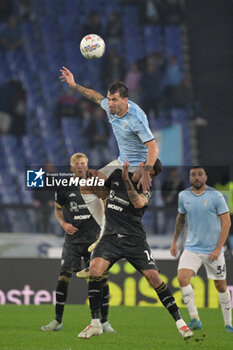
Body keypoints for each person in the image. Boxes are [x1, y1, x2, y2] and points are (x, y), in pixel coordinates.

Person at [77, 159, 193, 339]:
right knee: (94, 270)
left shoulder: (146, 187)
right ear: (142, 166)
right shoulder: (116, 175)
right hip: (111, 237)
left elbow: (138, 203)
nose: (150, 177)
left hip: (135, 241)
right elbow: (103, 193)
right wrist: (93, 180)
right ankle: (95, 324)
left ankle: (181, 323)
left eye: (152, 175)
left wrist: (126, 180)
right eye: (149, 172)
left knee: (154, 278)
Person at [41, 152, 114, 333]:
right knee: (63, 277)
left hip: (94, 240)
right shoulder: (64, 187)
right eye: (77, 164)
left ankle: (103, 322)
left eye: (83, 163)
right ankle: (57, 320)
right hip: (72, 241)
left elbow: (107, 202)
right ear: (72, 167)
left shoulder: (96, 184)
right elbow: (58, 211)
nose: (81, 166)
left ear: (87, 166)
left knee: (100, 279)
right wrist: (63, 223)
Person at [59, 66, 159, 194]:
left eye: (114, 100)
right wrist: (74, 85)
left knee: (121, 202)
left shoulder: (135, 118)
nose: (110, 103)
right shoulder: (110, 107)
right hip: (121, 162)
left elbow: (153, 147)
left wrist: (146, 172)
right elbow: (95, 96)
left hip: (137, 168)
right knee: (89, 185)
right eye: (109, 99)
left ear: (125, 101)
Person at [170, 166, 233, 333]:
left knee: (220, 286)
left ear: (205, 177)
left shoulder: (216, 196)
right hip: (191, 248)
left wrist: (218, 248)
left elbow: (226, 223)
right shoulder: (183, 196)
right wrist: (174, 242)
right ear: (190, 178)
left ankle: (228, 323)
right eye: (193, 175)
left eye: (199, 174)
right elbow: (180, 219)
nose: (196, 177)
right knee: (182, 278)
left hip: (213, 250)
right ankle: (195, 319)